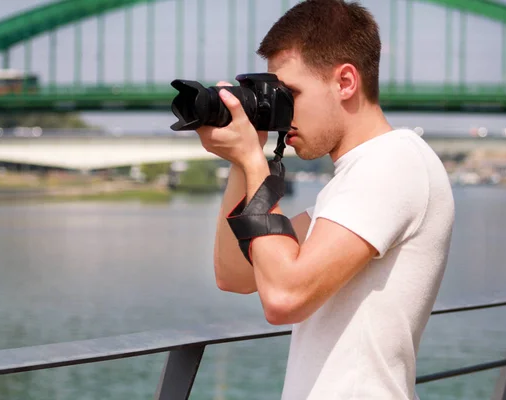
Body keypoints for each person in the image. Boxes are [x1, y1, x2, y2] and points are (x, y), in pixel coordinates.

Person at [195, 0, 455, 398]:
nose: (282, 111)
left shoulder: (393, 162)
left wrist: (253, 161)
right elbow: (236, 274)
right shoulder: (354, 184)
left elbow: (284, 298)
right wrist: (242, 155)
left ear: (346, 82)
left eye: (291, 92)